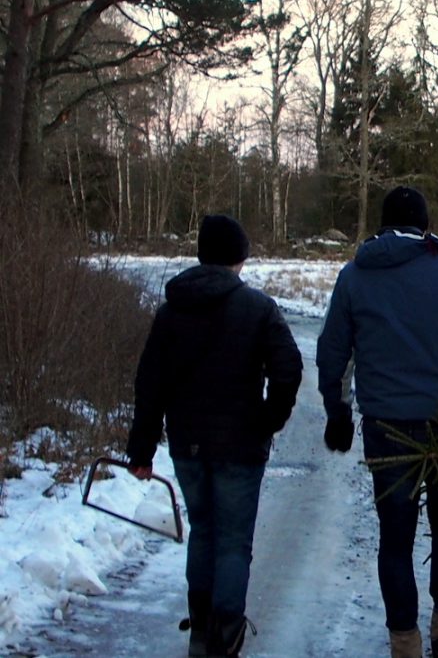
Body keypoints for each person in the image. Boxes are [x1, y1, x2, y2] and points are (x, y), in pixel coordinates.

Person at [316, 187, 438, 658]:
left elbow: (333, 355)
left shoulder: (354, 277)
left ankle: (404, 643)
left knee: (395, 538)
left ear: (382, 227)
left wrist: (337, 411)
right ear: (425, 226)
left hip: (388, 428)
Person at [126, 214, 303, 657]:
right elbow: (289, 368)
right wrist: (269, 420)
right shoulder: (258, 308)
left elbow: (150, 384)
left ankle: (202, 631)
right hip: (241, 446)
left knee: (204, 531)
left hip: (187, 443)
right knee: (233, 541)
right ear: (239, 258)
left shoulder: (171, 311)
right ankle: (226, 633)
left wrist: (142, 449)